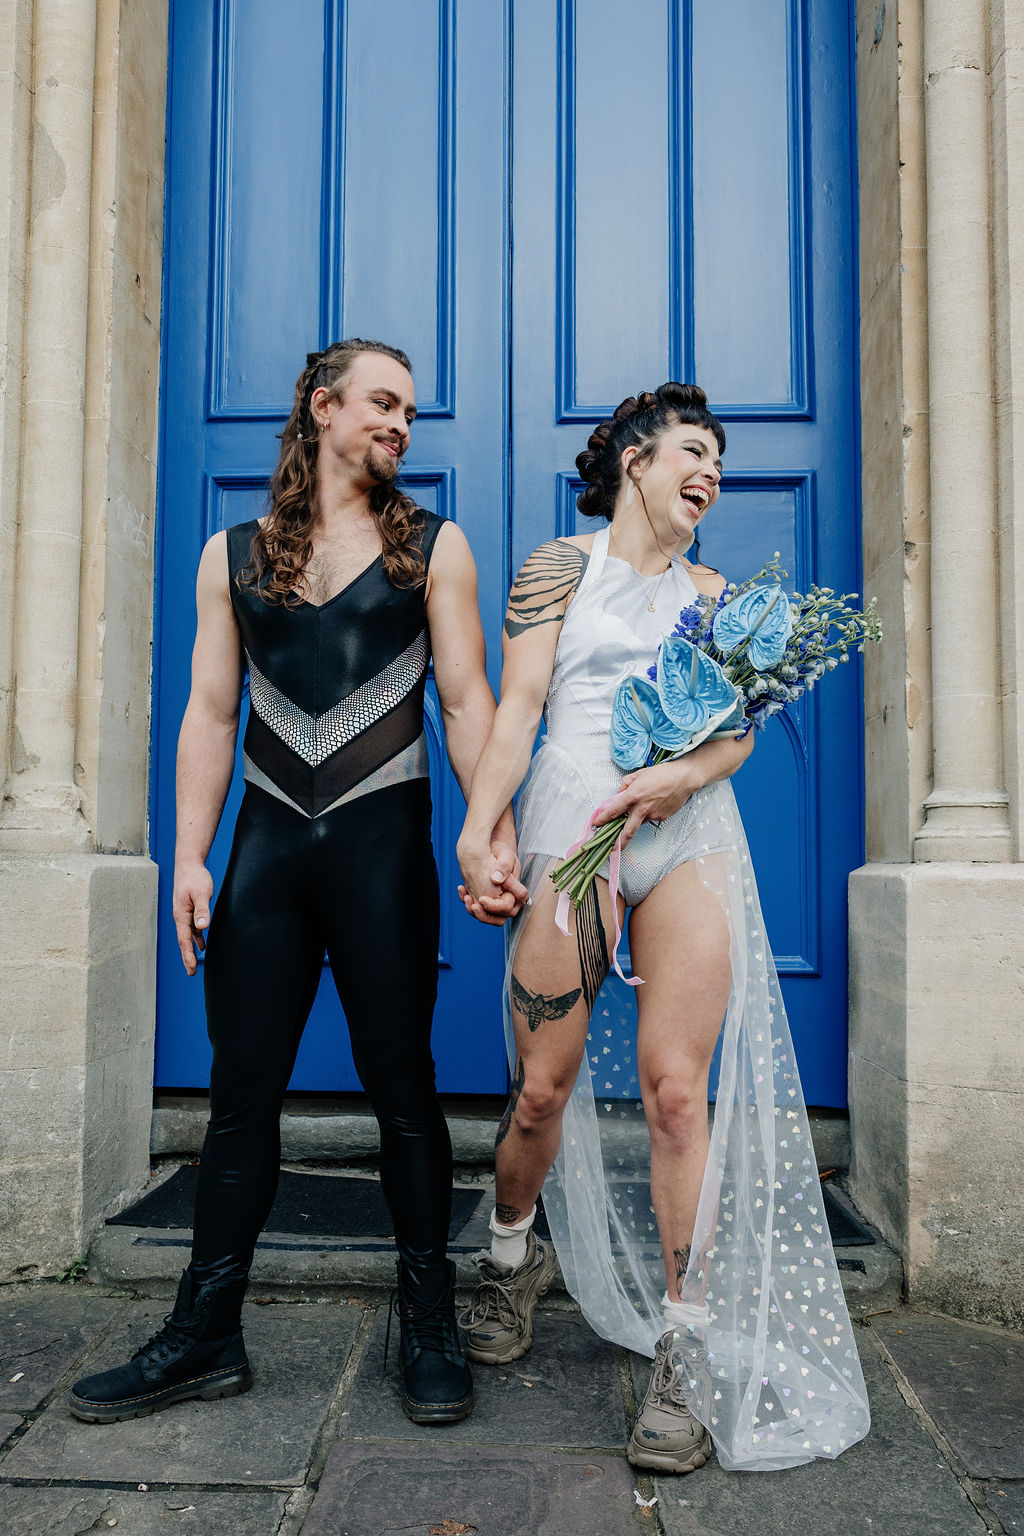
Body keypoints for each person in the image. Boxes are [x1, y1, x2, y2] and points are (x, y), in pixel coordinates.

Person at [69, 338, 525, 1428]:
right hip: (265, 862)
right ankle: (204, 1334)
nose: (400, 425)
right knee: (240, 1104)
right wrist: (187, 855)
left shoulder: (432, 550)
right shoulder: (232, 554)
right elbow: (212, 713)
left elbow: (467, 704)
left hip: (384, 858)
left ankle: (429, 1323)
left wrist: (490, 834)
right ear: (322, 409)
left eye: (408, 411)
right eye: (381, 403)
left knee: (404, 1097)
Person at [456, 384, 870, 1473]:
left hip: (686, 838)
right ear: (634, 461)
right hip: (569, 824)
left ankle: (680, 1349)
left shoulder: (719, 594)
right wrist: (479, 830)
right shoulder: (560, 567)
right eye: (693, 452)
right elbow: (519, 706)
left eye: (721, 466)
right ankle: (507, 1254)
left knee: (678, 1094)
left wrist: (681, 774)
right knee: (541, 1086)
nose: (711, 475)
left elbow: (732, 741)